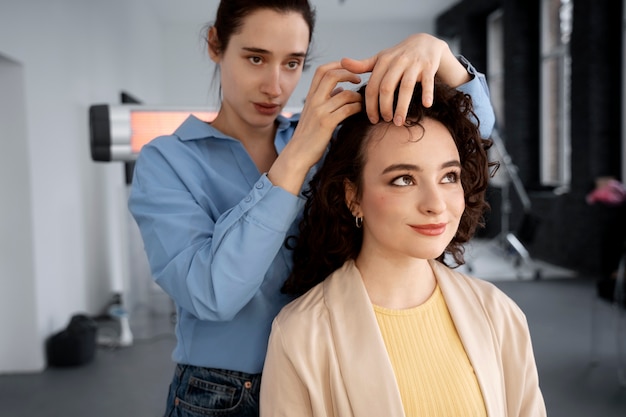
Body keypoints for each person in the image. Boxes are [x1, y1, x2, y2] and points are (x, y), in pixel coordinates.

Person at [128, 0, 496, 415]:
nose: (275, 86)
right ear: (216, 44)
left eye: (292, 63)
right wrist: (297, 156)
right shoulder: (167, 162)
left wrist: (439, 56)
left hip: (330, 368)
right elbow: (213, 295)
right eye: (255, 58)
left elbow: (464, 137)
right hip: (222, 393)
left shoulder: (326, 130)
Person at [260, 81, 546, 416]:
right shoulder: (300, 334)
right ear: (353, 197)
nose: (435, 204)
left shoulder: (500, 314)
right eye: (404, 180)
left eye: (449, 177)